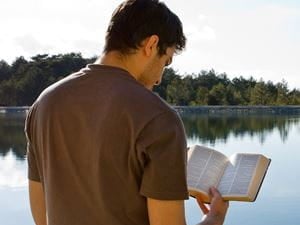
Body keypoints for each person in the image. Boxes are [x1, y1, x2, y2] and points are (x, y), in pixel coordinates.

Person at [25, 0, 229, 225]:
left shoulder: (44, 104)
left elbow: (41, 218)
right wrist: (214, 218)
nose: (160, 78)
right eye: (166, 62)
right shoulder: (159, 119)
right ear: (151, 45)